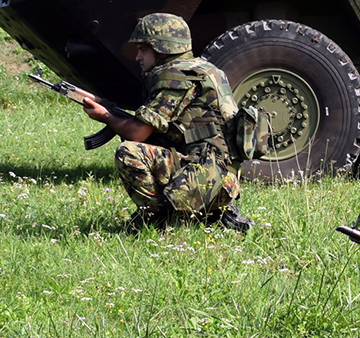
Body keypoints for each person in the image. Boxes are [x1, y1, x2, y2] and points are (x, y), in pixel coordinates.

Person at [71, 13, 249, 232]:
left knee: (129, 152)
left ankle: (159, 219)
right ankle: (206, 213)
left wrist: (105, 116)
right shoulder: (203, 68)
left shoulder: (175, 78)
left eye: (143, 49)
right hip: (219, 175)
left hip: (206, 177)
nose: (138, 57)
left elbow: (137, 133)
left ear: (163, 48)